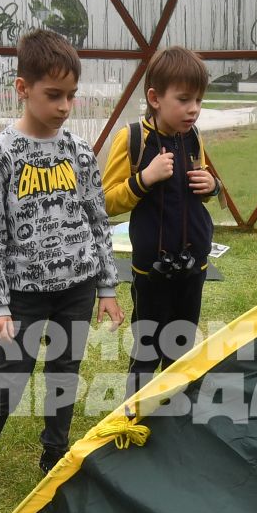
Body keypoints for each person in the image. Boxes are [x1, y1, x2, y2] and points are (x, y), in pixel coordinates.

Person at [0, 29, 123, 503]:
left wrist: (107, 287)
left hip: (78, 286)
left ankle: (54, 457)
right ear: (23, 88)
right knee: (10, 378)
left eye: (71, 95)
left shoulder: (79, 152)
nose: (65, 106)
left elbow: (97, 220)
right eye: (53, 95)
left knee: (64, 373)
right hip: (23, 293)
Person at [101, 45, 220, 391]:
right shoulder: (134, 139)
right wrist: (144, 179)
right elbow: (106, 201)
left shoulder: (193, 136)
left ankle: (178, 408)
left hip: (193, 262)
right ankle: (134, 412)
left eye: (198, 100)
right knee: (148, 346)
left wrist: (212, 185)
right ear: (154, 97)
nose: (193, 109)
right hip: (152, 268)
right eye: (184, 100)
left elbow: (203, 183)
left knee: (183, 344)